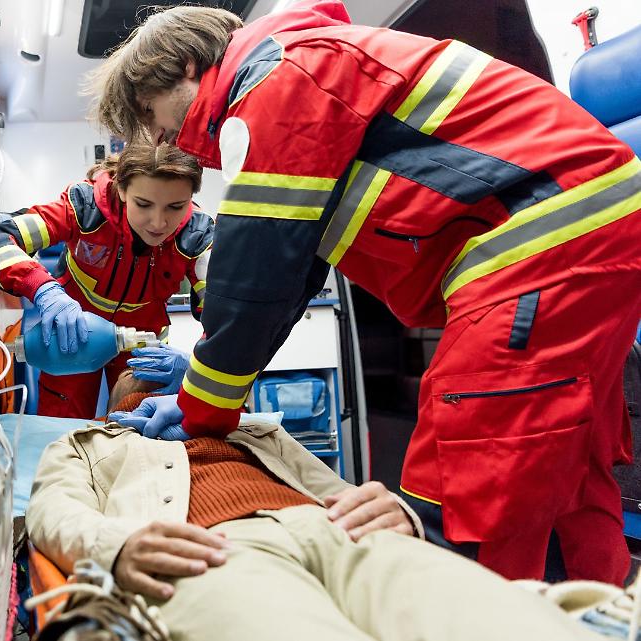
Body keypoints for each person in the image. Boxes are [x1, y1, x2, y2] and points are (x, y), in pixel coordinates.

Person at [86, 0, 641, 582]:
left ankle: (455, 590)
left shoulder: (278, 79)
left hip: (546, 231)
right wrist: (205, 397)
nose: (153, 134)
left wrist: (202, 406)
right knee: (564, 457)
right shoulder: (305, 65)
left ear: (185, 67)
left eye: (148, 111)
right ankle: (592, 608)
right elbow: (289, 274)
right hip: (582, 218)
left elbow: (255, 273)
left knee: (467, 467)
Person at [27, 411, 605, 641]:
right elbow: (52, 512)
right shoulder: (85, 444)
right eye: (137, 384)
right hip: (208, 550)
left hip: (335, 531)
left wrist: (398, 512)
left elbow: (340, 490)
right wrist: (121, 544)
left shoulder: (256, 432)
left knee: (506, 622)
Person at [0, 143, 213, 418]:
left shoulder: (197, 236)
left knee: (137, 427)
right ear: (122, 190)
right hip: (73, 334)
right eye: (143, 204)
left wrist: (200, 366)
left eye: (176, 207)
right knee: (62, 429)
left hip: (142, 346)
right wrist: (43, 289)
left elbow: (226, 313)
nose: (158, 222)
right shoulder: (85, 208)